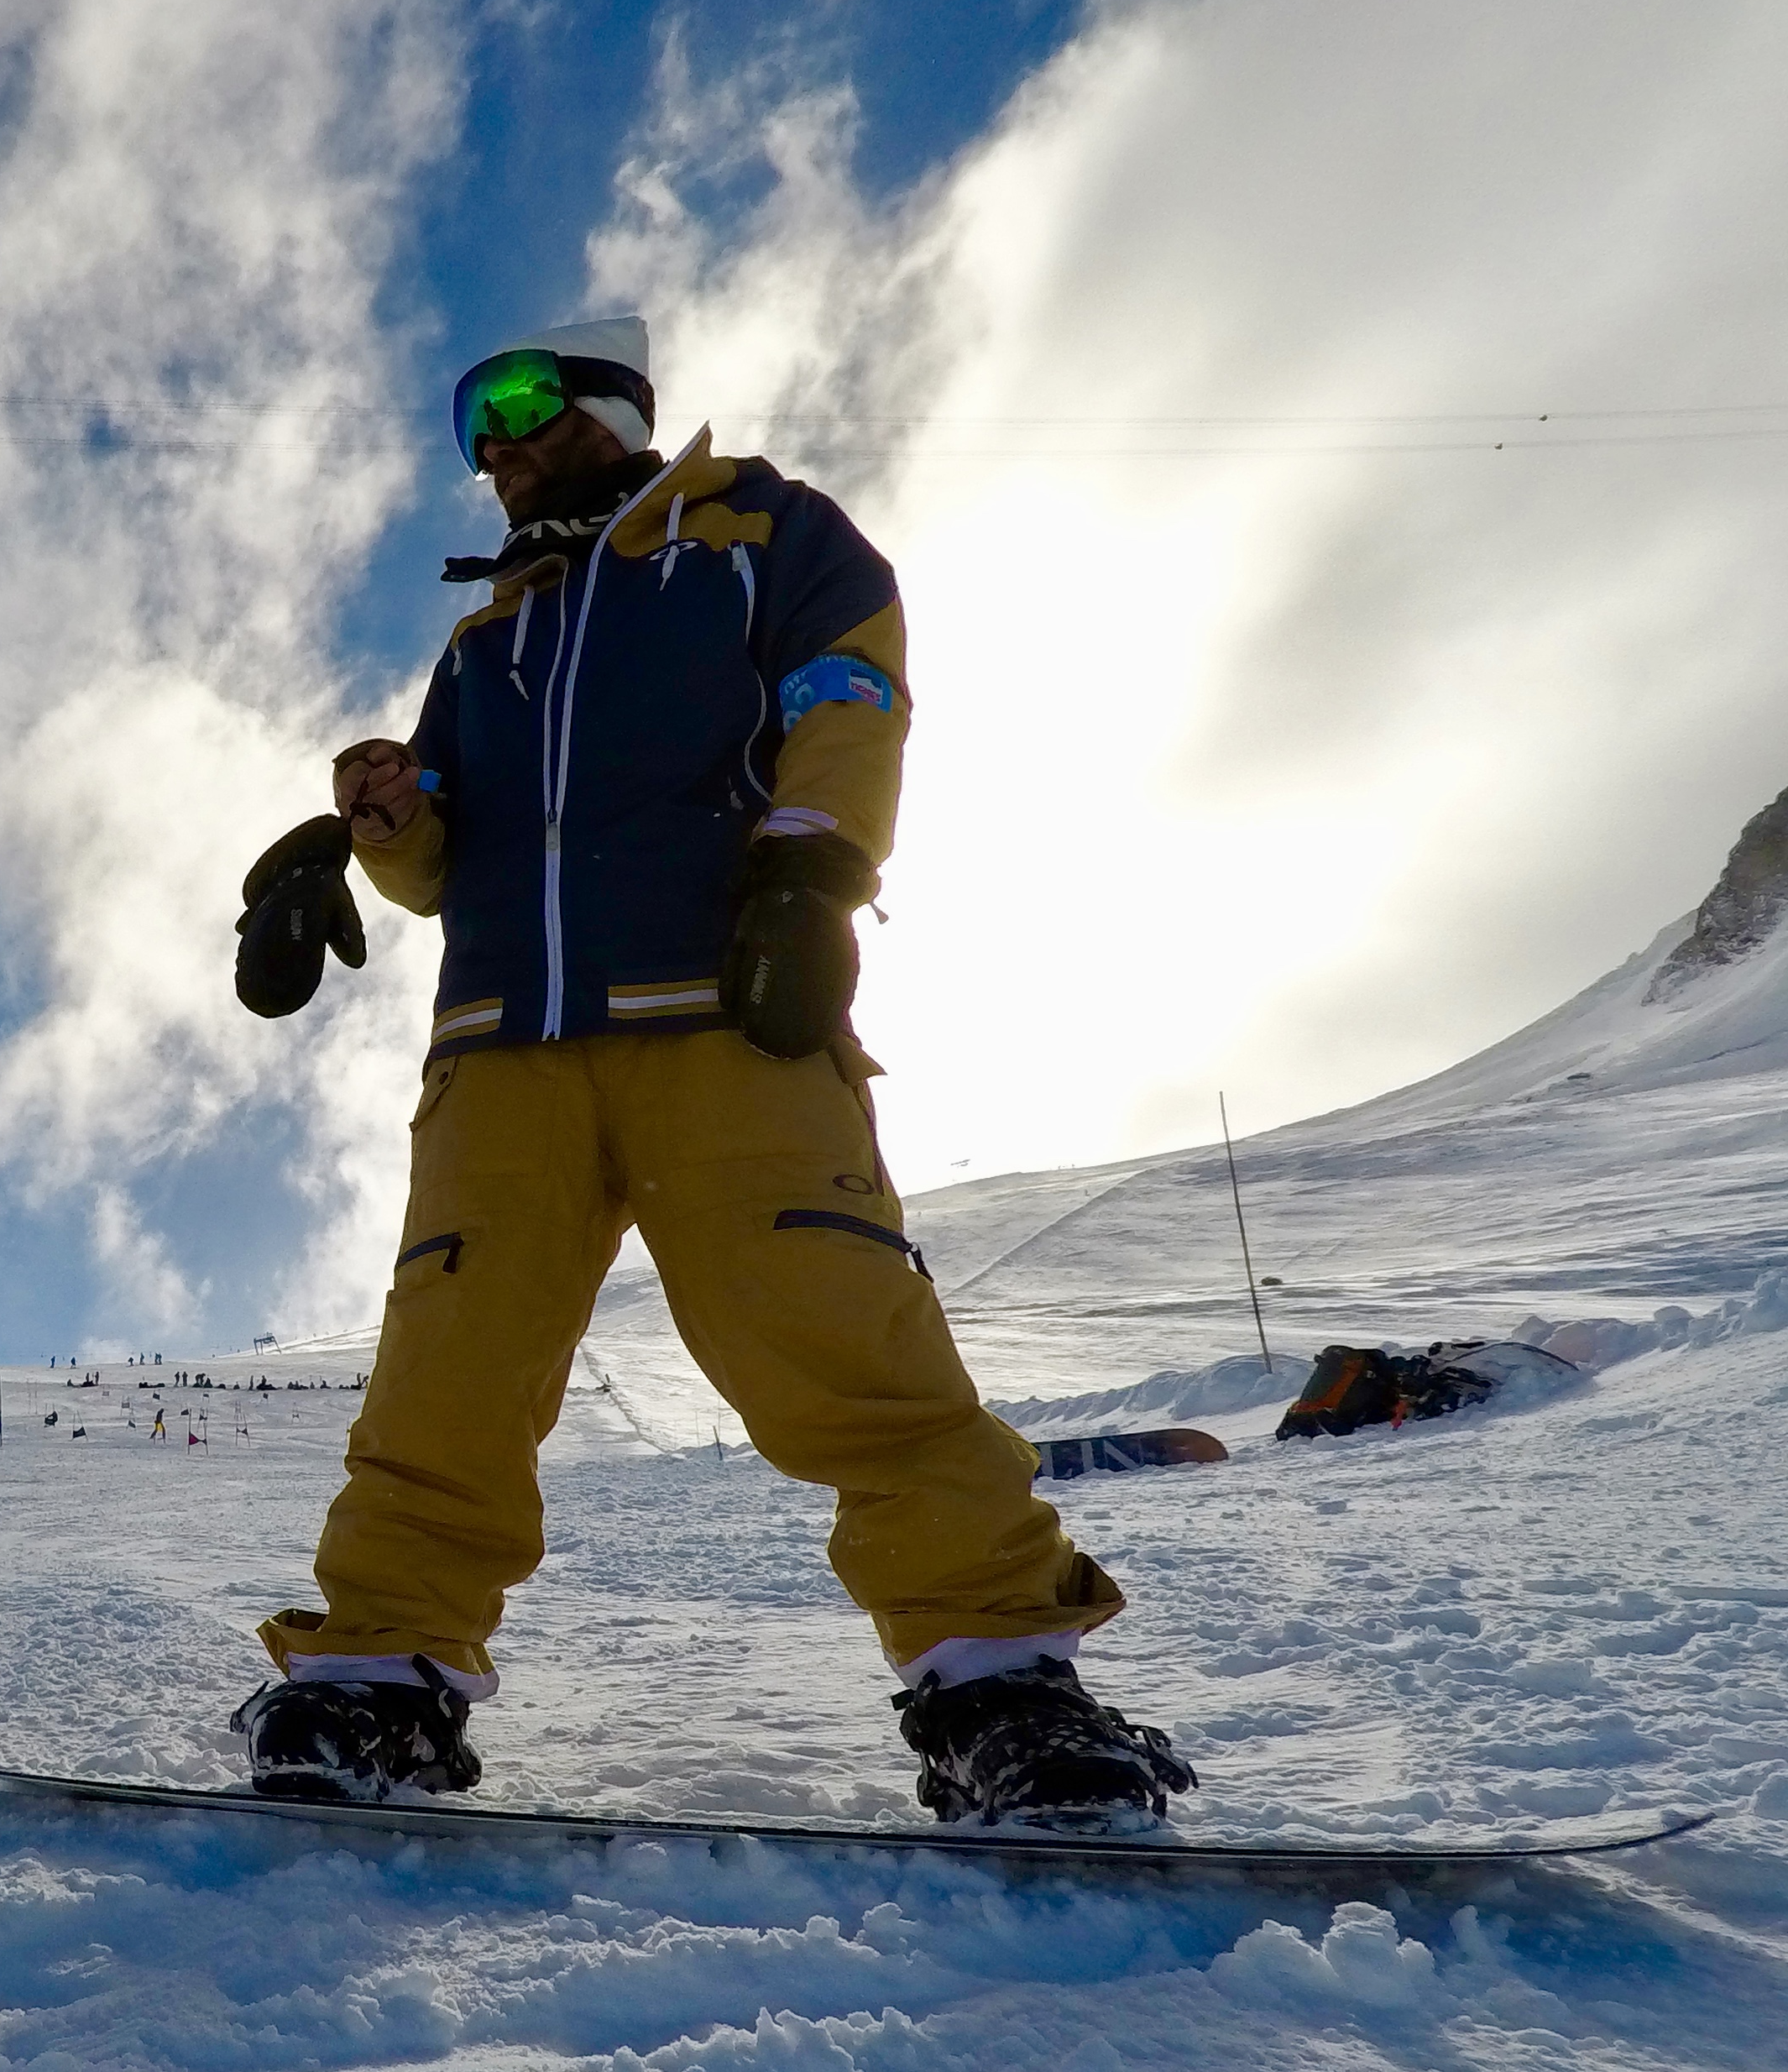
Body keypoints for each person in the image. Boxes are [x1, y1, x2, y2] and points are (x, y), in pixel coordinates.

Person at [229, 317, 1193, 1829]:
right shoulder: (489, 636)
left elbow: (850, 699)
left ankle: (1001, 1681)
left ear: (615, 401)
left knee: (843, 1346)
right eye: (472, 424)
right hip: (501, 1056)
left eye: (524, 399)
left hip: (723, 1017)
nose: (497, 442)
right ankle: (377, 1680)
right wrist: (370, 829)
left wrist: (812, 874)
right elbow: (447, 855)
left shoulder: (759, 533)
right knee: (446, 1383)